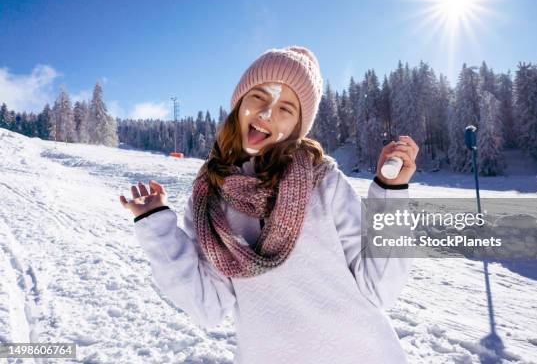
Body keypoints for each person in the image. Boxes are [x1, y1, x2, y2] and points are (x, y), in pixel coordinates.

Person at [119, 46, 419, 363]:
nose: (266, 114)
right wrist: (156, 226)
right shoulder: (209, 202)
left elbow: (380, 287)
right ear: (239, 103)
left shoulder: (323, 184)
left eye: (286, 109)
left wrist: (391, 191)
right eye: (259, 97)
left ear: (296, 128)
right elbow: (208, 306)